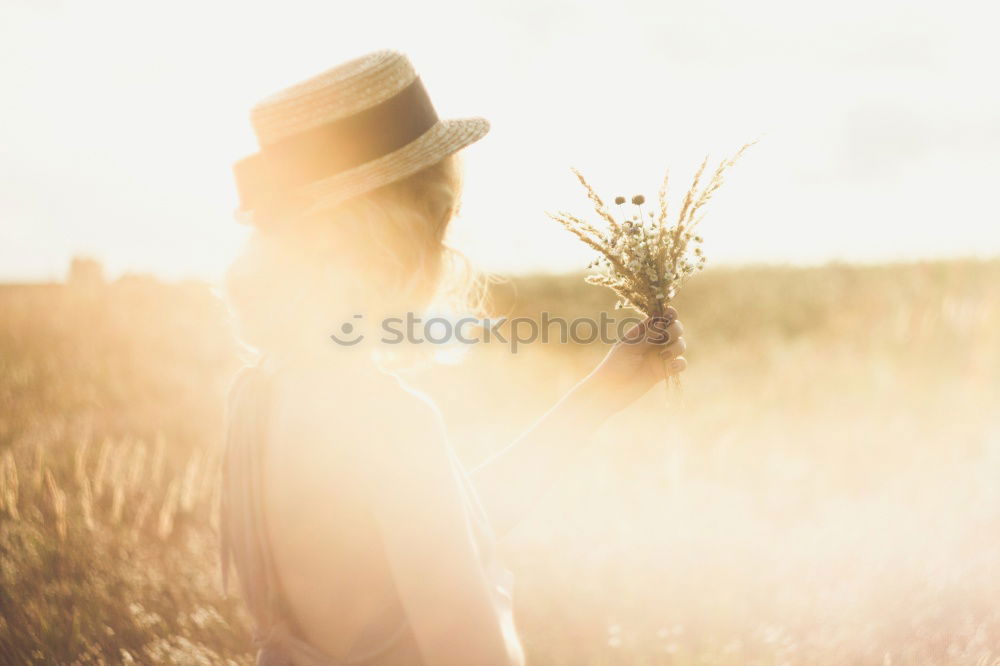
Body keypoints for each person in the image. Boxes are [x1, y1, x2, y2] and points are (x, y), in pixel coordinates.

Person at [219, 49, 687, 666]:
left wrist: (595, 398)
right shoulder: (388, 419)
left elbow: (437, 526)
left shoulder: (263, 393)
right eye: (443, 217)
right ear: (401, 233)